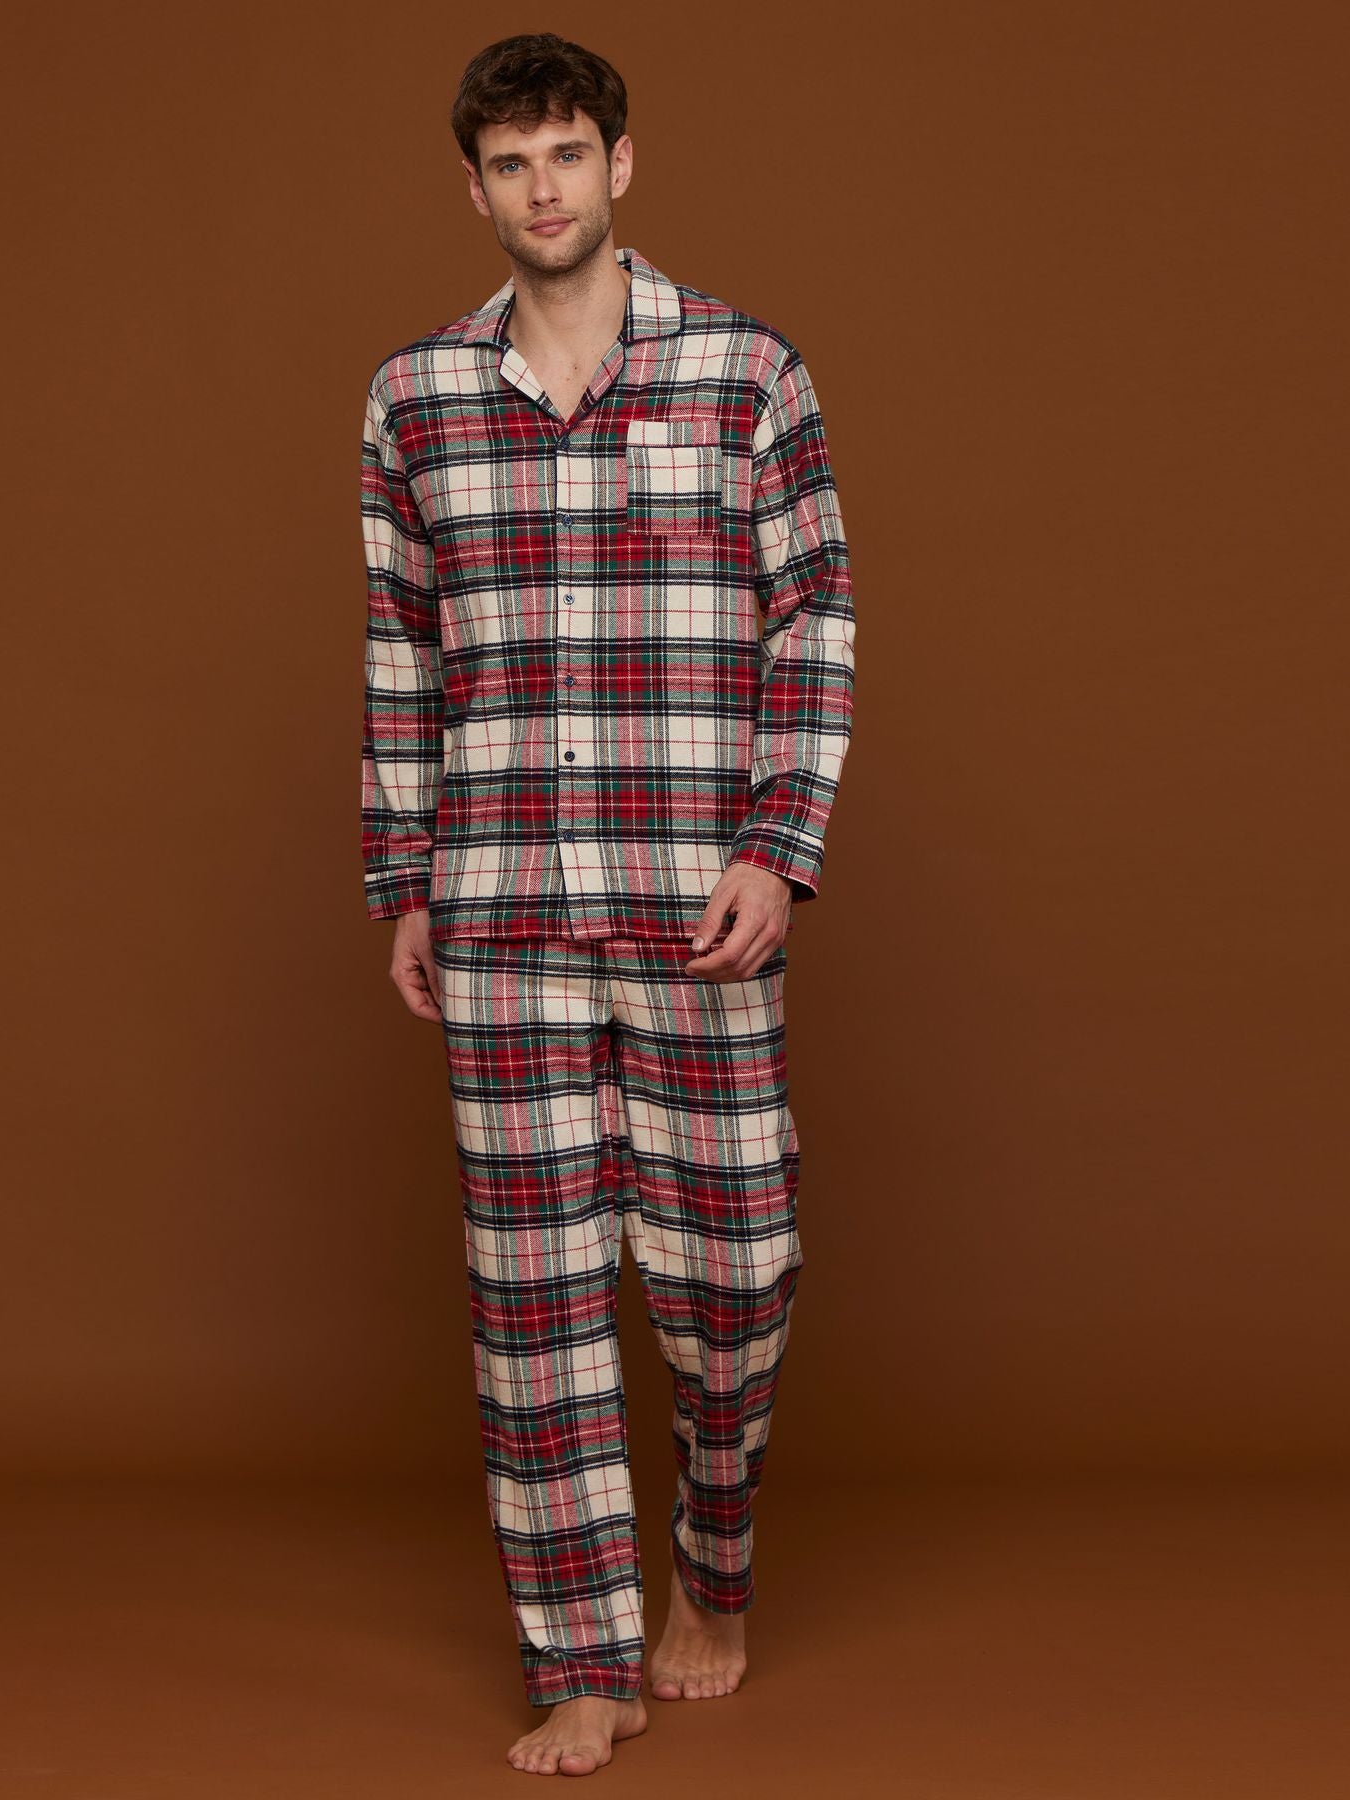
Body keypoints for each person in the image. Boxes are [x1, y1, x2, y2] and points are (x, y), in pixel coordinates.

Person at [357, 31, 856, 1778]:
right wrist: (404, 875)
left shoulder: (747, 372)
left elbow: (814, 617)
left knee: (739, 1269)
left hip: (696, 907)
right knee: (537, 1294)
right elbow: (401, 652)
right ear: (475, 188)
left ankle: (708, 1556)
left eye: (567, 153)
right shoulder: (414, 397)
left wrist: (776, 845)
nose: (544, 187)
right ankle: (581, 1655)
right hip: (498, 905)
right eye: (511, 164)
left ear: (619, 164)